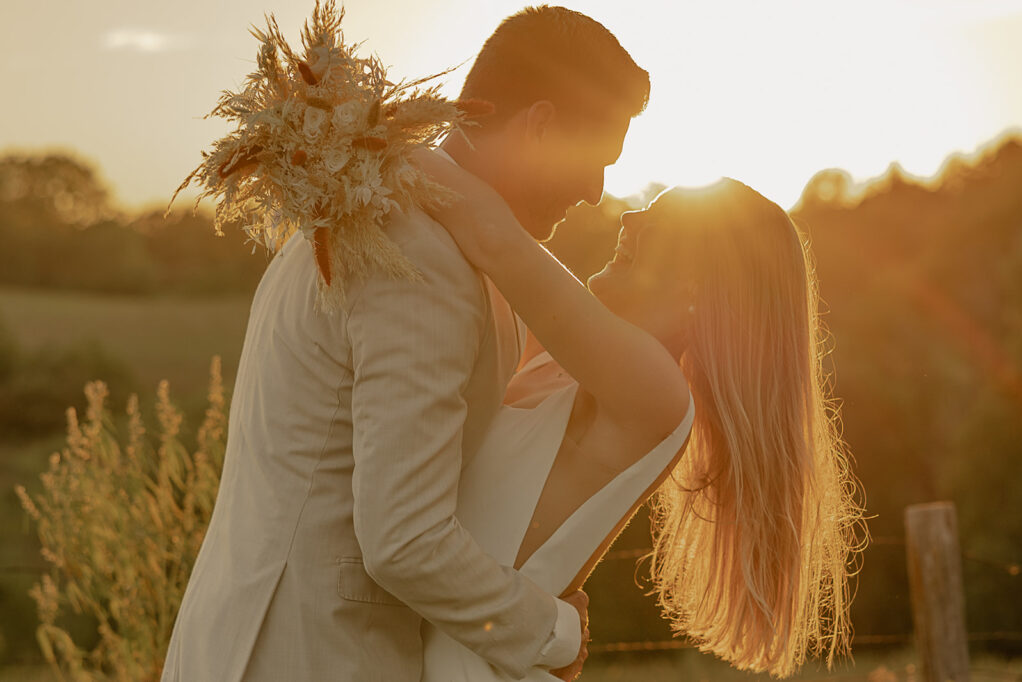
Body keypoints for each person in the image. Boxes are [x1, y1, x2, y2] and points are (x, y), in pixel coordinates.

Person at [160, 6, 649, 682]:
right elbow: (403, 541)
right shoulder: (418, 257)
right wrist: (550, 632)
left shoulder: (380, 218)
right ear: (540, 126)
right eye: (596, 160)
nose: (597, 193)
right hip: (313, 655)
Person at [411, 150, 864, 680]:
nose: (629, 218)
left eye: (660, 222)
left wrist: (370, 132)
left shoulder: (656, 391)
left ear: (699, 284)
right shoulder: (556, 354)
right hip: (433, 641)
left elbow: (494, 238)